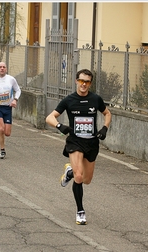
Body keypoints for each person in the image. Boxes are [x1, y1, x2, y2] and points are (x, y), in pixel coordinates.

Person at [45, 68, 112, 225]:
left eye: (87, 82)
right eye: (81, 81)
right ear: (76, 81)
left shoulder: (96, 99)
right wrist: (60, 126)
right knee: (79, 176)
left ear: (90, 84)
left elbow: (107, 114)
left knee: (87, 180)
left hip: (91, 142)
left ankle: (69, 172)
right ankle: (80, 211)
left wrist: (105, 128)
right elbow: (50, 117)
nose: (84, 84)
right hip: (75, 141)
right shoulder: (69, 100)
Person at [0, 62, 21, 159]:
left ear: (6, 69)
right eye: (0, 67)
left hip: (8, 107)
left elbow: (18, 90)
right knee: (0, 129)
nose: (2, 69)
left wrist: (15, 100)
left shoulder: (11, 79)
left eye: (4, 67)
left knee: (7, 133)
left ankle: (2, 139)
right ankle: (2, 150)